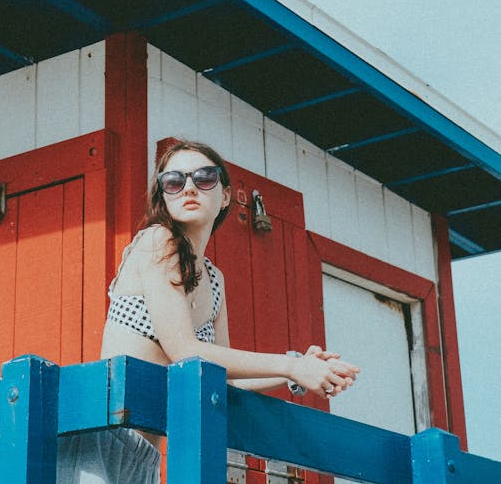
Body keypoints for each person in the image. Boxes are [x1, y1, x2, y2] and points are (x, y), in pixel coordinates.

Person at [57, 139, 360, 484]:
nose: (189, 188)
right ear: (164, 194)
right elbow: (185, 351)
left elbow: (224, 375)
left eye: (204, 178)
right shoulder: (158, 241)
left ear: (226, 195)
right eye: (174, 181)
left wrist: (299, 369)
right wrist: (292, 365)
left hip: (145, 452)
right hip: (102, 438)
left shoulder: (215, 280)